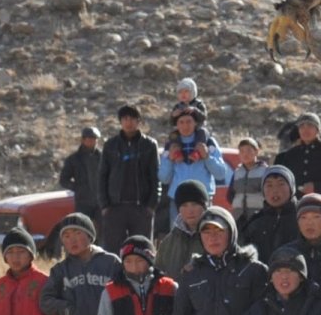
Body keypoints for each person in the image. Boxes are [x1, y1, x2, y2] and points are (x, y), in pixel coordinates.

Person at [170, 207, 266, 315]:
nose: (212, 238)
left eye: (219, 231)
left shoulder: (253, 270)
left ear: (231, 233)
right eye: (206, 232)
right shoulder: (191, 273)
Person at [40, 213, 121, 315]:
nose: (72, 240)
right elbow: (45, 301)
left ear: (90, 235)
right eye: (66, 236)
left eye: (78, 233)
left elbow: (125, 293)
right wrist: (66, 309)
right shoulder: (60, 270)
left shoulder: (110, 263)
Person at [92, 235, 177, 315]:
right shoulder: (111, 291)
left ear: (150, 260)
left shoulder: (169, 288)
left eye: (140, 260)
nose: (134, 267)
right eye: (128, 261)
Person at [99, 104, 161, 254]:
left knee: (142, 250)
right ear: (120, 121)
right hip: (115, 208)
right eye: (125, 118)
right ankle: (115, 277)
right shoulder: (110, 145)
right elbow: (102, 176)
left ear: (139, 121)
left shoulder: (149, 145)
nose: (129, 122)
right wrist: (105, 205)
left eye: (132, 118)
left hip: (141, 208)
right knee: (113, 251)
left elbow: (155, 176)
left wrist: (151, 205)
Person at [158, 106, 230, 225]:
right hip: (178, 200)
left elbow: (221, 173)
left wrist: (207, 157)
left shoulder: (208, 142)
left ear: (196, 123)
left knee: (203, 235)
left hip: (202, 199)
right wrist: (170, 160)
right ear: (176, 125)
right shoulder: (171, 145)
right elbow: (164, 178)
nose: (185, 126)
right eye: (181, 122)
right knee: (179, 238)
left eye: (189, 122)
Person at [275, 113, 321, 201]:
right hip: (295, 204)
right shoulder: (291, 154)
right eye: (302, 126)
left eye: (310, 125)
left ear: (318, 130)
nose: (305, 130)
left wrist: (317, 187)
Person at [240, 165, 301, 264]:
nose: (275, 190)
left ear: (291, 188)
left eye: (281, 184)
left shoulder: (303, 218)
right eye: (269, 185)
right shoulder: (255, 222)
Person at [156, 179, 209, 276]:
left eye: (194, 204)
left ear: (205, 206)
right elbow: (159, 274)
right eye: (184, 205)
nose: (190, 210)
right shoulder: (168, 242)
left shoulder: (217, 236)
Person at [61, 126, 104, 230]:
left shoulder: (103, 158)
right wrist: (78, 188)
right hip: (83, 203)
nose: (92, 142)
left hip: (101, 202)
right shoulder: (73, 159)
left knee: (105, 231)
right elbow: (63, 180)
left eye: (95, 139)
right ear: (83, 140)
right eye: (89, 139)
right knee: (83, 229)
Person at [228, 137, 269, 229]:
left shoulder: (265, 171)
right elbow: (230, 195)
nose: (245, 154)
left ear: (256, 151)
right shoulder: (237, 172)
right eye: (242, 151)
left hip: (258, 216)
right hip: (238, 217)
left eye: (249, 150)